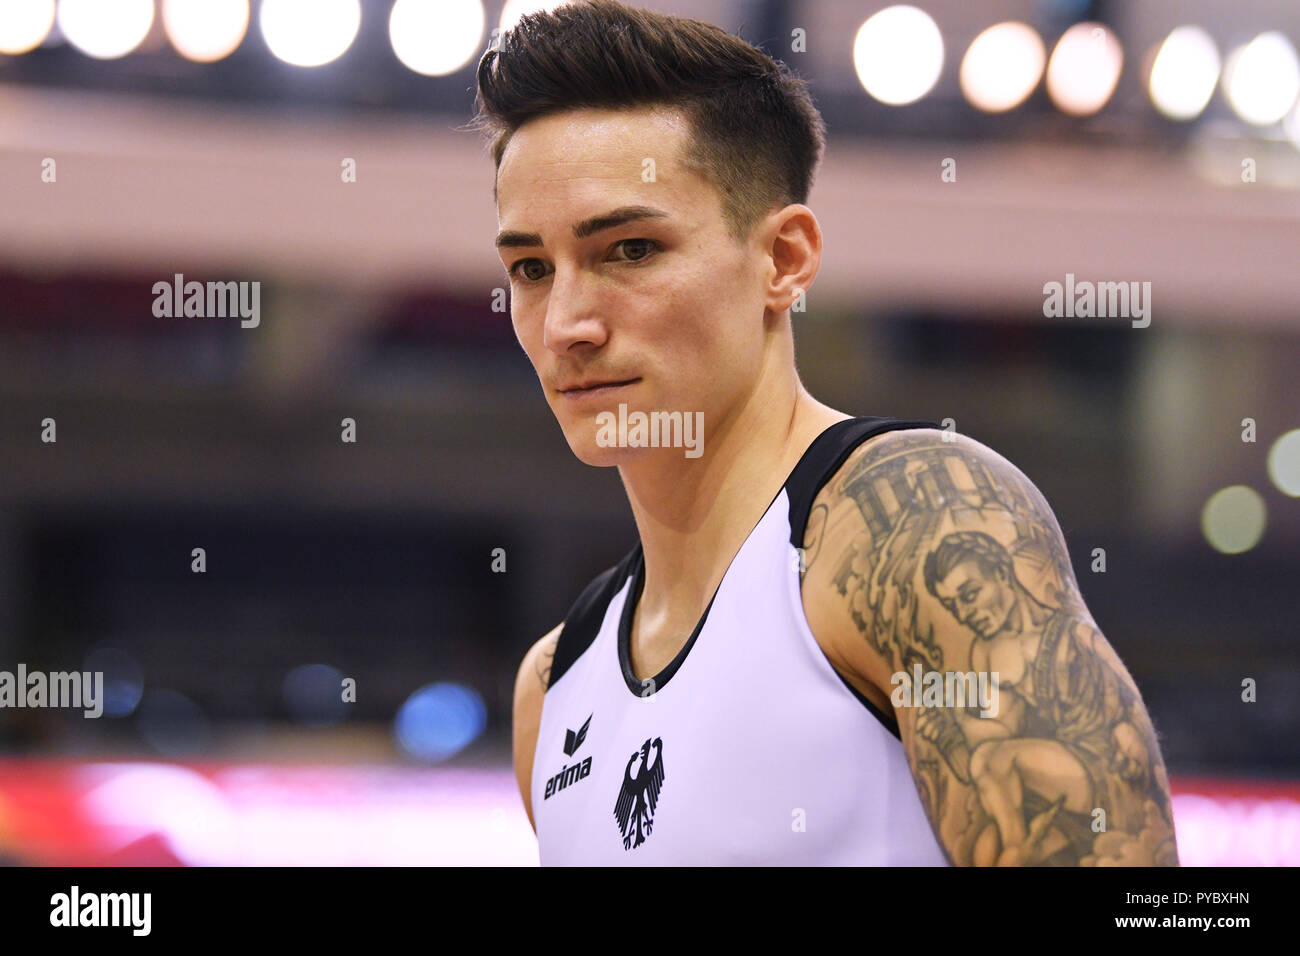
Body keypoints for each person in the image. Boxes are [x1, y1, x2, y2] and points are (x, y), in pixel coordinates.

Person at [472, 0, 1177, 865]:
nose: (567, 324)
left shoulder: (910, 526)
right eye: (532, 270)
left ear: (783, 260)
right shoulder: (552, 686)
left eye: (630, 250)